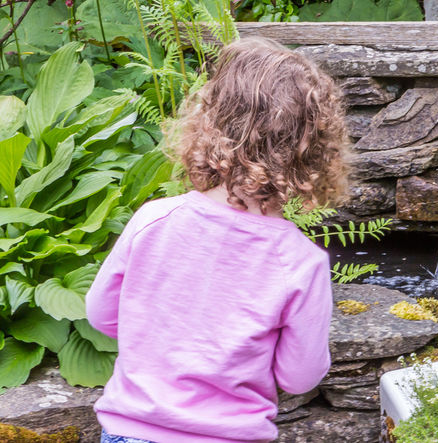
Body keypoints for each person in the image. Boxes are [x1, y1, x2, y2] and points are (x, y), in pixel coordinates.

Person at [86, 37, 349, 443]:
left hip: (128, 431)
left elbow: (102, 314)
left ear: (209, 126)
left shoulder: (155, 219)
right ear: (315, 152)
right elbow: (299, 377)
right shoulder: (299, 262)